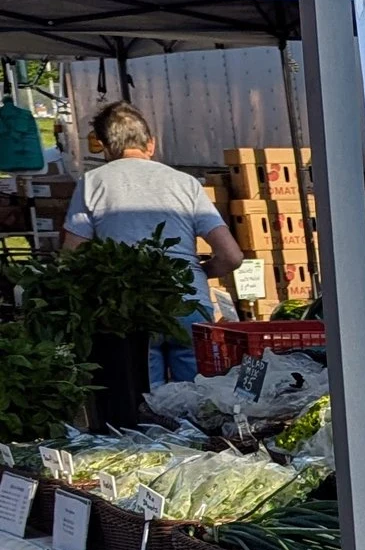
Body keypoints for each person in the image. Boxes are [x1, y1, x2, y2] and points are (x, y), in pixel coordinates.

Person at [60, 102, 247, 387]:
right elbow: (231, 256)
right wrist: (196, 272)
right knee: (198, 397)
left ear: (106, 146)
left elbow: (72, 255)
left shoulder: (92, 182)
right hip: (189, 304)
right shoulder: (186, 184)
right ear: (151, 143)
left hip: (129, 308)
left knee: (147, 402)